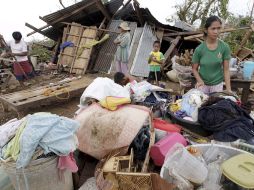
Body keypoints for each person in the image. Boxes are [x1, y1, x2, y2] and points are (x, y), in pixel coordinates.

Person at [192, 16, 231, 94]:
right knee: (200, 104)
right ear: (206, 30)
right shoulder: (199, 49)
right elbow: (194, 69)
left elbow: (226, 70)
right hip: (202, 84)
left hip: (217, 84)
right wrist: (199, 80)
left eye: (218, 28)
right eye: (213, 28)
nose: (216, 31)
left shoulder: (224, 47)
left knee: (215, 105)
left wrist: (228, 89)